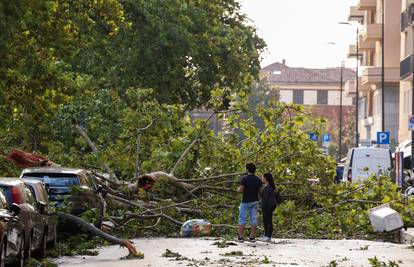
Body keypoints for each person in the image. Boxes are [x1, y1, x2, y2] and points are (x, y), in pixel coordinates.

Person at [237, 163, 262, 242]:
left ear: (247, 169)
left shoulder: (245, 179)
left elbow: (240, 190)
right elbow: (260, 191)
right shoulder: (258, 179)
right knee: (254, 219)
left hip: (245, 201)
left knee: (242, 218)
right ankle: (252, 237)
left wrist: (238, 189)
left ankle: (240, 237)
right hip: (255, 201)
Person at [260, 172, 280, 242]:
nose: (261, 178)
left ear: (265, 178)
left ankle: (268, 236)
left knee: (268, 220)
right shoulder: (267, 186)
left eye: (262, 177)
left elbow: (266, 197)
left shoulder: (269, 187)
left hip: (268, 205)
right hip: (268, 205)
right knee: (265, 220)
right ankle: (266, 235)